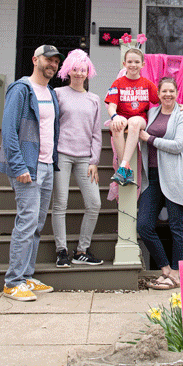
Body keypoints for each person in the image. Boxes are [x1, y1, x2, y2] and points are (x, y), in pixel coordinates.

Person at [0, 44, 62, 301]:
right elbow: (8, 130)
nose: (52, 65)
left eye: (56, 62)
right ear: (35, 59)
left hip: (46, 165)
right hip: (27, 166)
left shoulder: (51, 93)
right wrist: (19, 165)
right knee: (26, 222)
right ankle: (12, 281)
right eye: (48, 59)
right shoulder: (21, 89)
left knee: (36, 224)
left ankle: (26, 276)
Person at [137, 76, 183, 290]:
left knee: (177, 226)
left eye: (171, 91)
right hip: (153, 176)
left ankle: (177, 274)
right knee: (144, 225)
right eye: (164, 92)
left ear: (177, 93)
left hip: (175, 176)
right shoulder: (151, 113)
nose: (168, 95)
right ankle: (166, 269)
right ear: (158, 94)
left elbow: (178, 145)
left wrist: (149, 139)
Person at [52, 49, 103, 267]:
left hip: (85, 159)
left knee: (94, 203)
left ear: (88, 72)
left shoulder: (94, 99)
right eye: (75, 69)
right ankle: (61, 250)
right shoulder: (58, 93)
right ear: (67, 70)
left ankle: (82, 250)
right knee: (60, 203)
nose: (79, 73)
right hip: (62, 154)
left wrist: (94, 161)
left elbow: (96, 132)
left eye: (83, 70)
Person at [105, 47, 158, 186]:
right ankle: (125, 169)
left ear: (142, 65)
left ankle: (122, 167)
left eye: (136, 62)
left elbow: (163, 99)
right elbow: (111, 106)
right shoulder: (118, 83)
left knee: (134, 122)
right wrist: (115, 116)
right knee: (116, 124)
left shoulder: (147, 84)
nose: (133, 65)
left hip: (139, 119)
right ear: (124, 64)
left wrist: (181, 106)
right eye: (129, 61)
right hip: (122, 116)